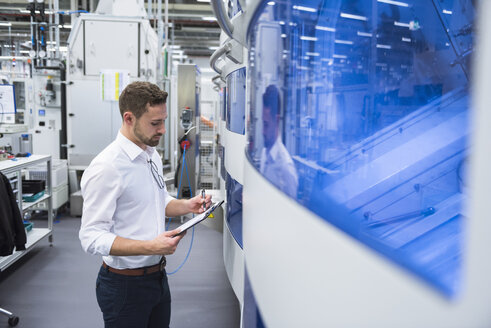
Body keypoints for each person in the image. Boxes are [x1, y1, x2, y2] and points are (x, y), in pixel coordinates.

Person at [79, 81, 211, 328]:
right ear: (129, 118)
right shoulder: (108, 168)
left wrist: (187, 206)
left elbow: (155, 202)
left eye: (163, 121)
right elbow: (91, 237)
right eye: (154, 123)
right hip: (124, 287)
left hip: (157, 279)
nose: (162, 130)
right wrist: (150, 246)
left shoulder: (151, 155)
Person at [259, 85, 298, 198]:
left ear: (276, 120)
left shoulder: (286, 168)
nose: (262, 131)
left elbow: (290, 214)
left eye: (266, 125)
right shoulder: (264, 153)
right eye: (263, 124)